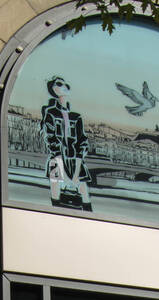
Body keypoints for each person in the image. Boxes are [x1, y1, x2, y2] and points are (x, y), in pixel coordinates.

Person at [40, 76, 93, 211]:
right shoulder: (50, 113)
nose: (64, 87)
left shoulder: (76, 117)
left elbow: (82, 142)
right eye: (59, 84)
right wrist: (63, 170)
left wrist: (75, 175)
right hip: (57, 161)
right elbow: (51, 140)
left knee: (86, 200)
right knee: (56, 201)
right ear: (53, 89)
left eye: (66, 85)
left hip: (75, 162)